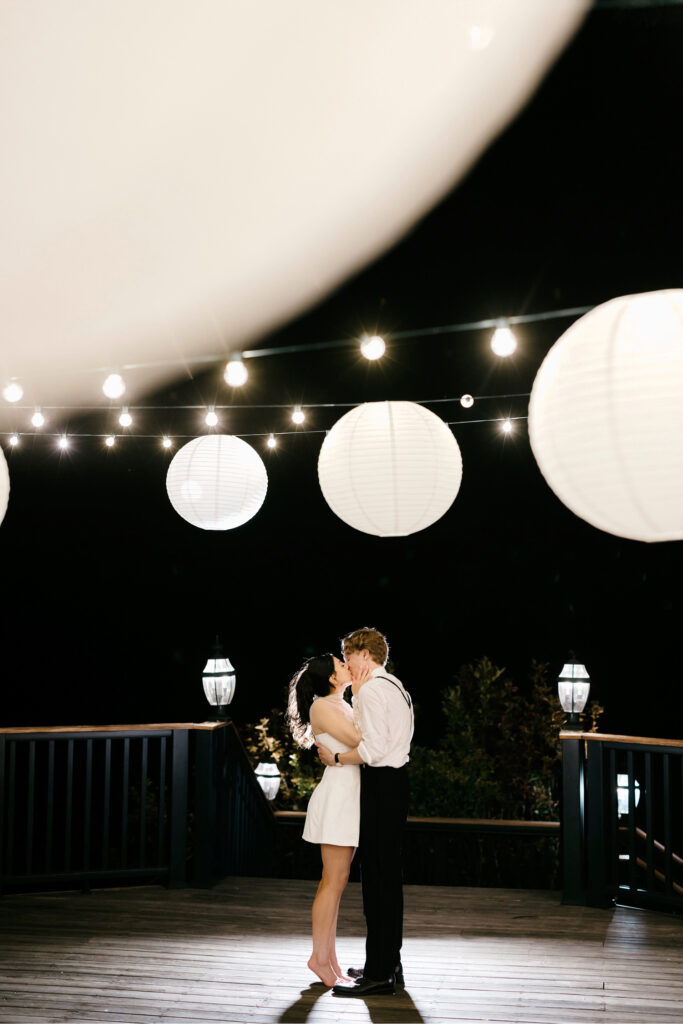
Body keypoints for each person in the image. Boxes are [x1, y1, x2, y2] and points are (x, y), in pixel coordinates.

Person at [316, 627, 414, 998]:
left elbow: (372, 750)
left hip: (381, 786)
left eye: (349, 656)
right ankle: (388, 963)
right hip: (396, 784)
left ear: (365, 655)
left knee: (377, 879)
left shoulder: (371, 690)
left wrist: (336, 758)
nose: (348, 664)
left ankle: (379, 974)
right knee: (387, 877)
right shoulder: (396, 686)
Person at [286, 653, 373, 987]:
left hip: (348, 798)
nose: (347, 666)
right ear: (332, 678)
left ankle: (330, 960)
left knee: (337, 881)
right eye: (341, 665)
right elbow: (360, 740)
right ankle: (319, 959)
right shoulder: (323, 706)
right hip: (338, 799)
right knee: (331, 882)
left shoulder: (342, 702)